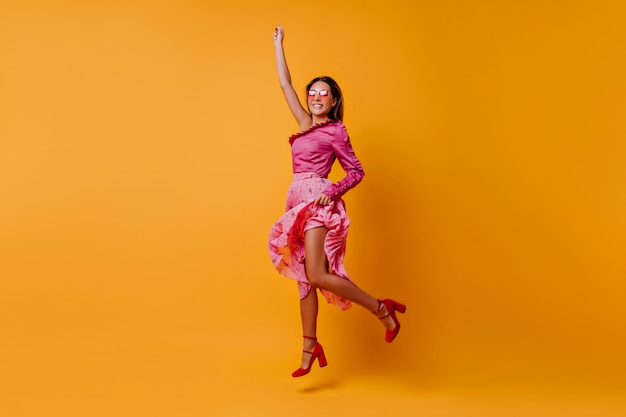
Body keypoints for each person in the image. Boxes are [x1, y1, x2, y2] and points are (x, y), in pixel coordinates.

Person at [268, 25, 406, 378]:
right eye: (312, 92)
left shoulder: (335, 131)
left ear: (332, 101)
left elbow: (356, 171)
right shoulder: (303, 124)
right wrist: (279, 44)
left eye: (322, 94)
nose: (315, 97)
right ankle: (310, 346)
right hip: (295, 200)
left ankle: (380, 308)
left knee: (316, 272)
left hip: (318, 203)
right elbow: (285, 84)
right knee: (304, 277)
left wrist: (331, 192)